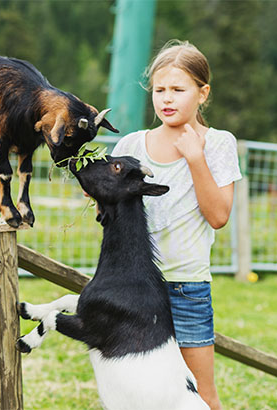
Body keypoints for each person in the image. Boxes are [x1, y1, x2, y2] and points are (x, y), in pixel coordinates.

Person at [111, 40, 241, 410]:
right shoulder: (134, 144)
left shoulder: (217, 144)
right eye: (159, 90)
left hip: (187, 288)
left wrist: (195, 159)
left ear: (202, 94)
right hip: (136, 287)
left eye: (178, 90)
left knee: (200, 395)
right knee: (141, 392)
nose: (166, 99)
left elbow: (218, 216)